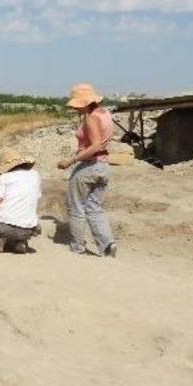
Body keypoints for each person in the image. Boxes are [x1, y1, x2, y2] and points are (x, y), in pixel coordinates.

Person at [57, 83, 117, 257]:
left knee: (76, 206)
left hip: (89, 165)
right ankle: (107, 244)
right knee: (94, 207)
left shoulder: (90, 118)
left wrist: (71, 160)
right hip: (104, 166)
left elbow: (95, 145)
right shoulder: (105, 113)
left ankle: (77, 246)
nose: (75, 108)